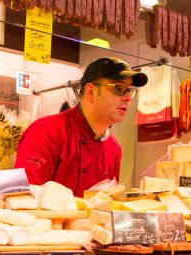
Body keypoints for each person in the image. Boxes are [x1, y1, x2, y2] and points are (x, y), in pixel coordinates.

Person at [14, 57, 148, 197]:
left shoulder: (114, 148)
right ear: (91, 91)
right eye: (119, 89)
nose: (128, 98)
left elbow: (105, 206)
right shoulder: (45, 131)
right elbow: (21, 200)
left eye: (130, 91)